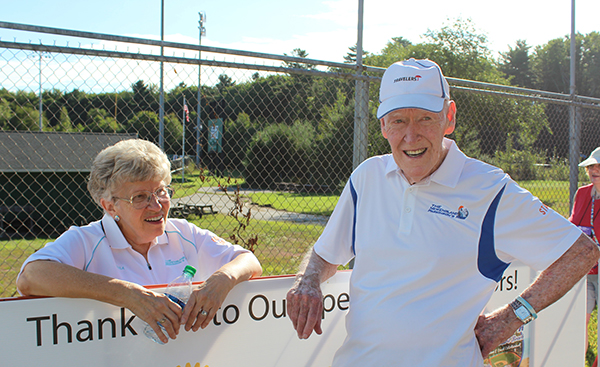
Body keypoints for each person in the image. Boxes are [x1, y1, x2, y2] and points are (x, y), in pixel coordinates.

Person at [286, 58, 599, 366]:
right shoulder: (367, 177)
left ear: (449, 117)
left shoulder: (490, 190)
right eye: (398, 120)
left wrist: (512, 316)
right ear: (382, 125)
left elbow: (581, 253)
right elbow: (327, 252)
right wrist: (308, 280)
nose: (411, 136)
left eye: (425, 118)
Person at [17, 139, 262, 344]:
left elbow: (248, 261)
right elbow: (31, 277)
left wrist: (222, 280)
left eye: (161, 191)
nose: (156, 205)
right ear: (110, 205)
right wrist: (128, 295)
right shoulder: (86, 240)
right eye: (140, 197)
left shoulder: (183, 232)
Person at [569, 146, 600, 352]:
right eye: (591, 166)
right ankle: (578, 354)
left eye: (598, 166)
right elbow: (571, 225)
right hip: (584, 267)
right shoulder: (582, 193)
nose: (594, 170)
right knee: (579, 317)